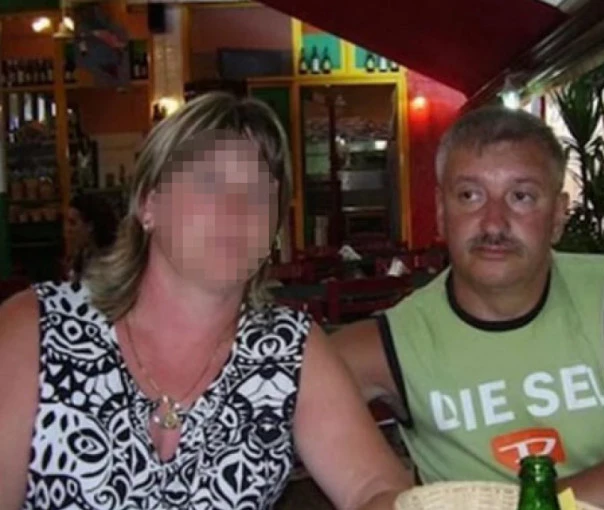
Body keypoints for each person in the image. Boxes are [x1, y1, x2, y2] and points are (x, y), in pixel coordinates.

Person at [0, 92, 411, 509]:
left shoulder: (287, 350)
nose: (237, 209)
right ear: (148, 204)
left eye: (259, 193)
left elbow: (375, 487)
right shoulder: (36, 329)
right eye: (209, 183)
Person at [332, 107, 604, 510]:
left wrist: (533, 507)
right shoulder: (391, 341)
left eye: (521, 196)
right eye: (470, 196)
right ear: (441, 212)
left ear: (558, 215)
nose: (493, 224)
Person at [64, 193, 119, 282]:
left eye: (72, 223)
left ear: (90, 226)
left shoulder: (110, 262)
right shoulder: (82, 256)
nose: (67, 229)